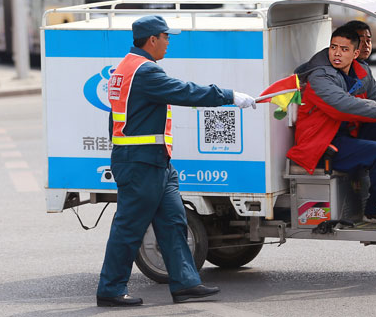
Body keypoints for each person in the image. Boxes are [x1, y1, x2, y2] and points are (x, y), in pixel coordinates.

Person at [96, 15, 256, 307]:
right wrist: (230, 96)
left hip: (154, 161)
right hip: (142, 163)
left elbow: (114, 121)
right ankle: (110, 289)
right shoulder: (144, 72)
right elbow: (186, 92)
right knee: (129, 227)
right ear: (152, 39)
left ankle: (185, 283)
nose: (169, 43)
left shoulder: (126, 67)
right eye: (166, 37)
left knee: (172, 222)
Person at [288, 25, 376, 224]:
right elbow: (342, 105)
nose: (337, 53)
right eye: (333, 47)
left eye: (344, 49)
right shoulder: (319, 77)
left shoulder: (360, 70)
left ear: (355, 53)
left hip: (347, 134)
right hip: (322, 143)